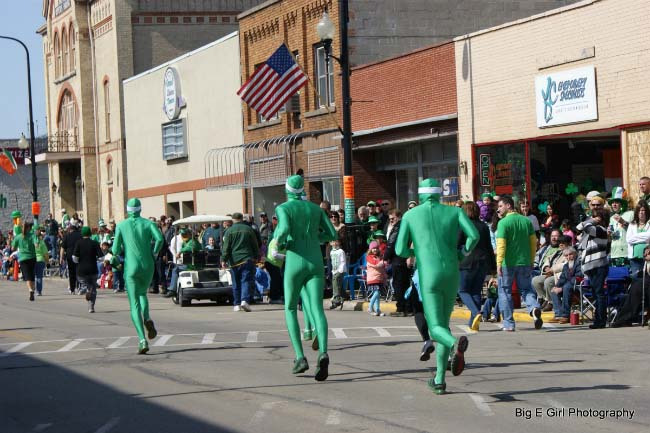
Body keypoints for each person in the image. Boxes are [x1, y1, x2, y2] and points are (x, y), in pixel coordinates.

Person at [395, 179, 479, 395]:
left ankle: (453, 345)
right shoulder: (454, 211)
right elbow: (474, 235)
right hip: (451, 270)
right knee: (443, 323)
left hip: (429, 273)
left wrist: (416, 252)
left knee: (435, 328)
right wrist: (463, 253)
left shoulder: (410, 215)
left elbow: (399, 250)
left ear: (421, 195)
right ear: (439, 194)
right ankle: (439, 379)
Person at [272, 175, 337, 381]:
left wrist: (277, 243)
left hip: (295, 260)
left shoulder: (283, 208)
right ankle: (323, 352)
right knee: (317, 308)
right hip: (315, 260)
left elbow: (283, 229)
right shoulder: (316, 209)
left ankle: (300, 357)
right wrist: (315, 238)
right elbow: (332, 234)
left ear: (287, 190)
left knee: (290, 308)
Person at [112, 198, 164, 354]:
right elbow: (160, 239)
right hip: (147, 264)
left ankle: (142, 340)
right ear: (140, 209)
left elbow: (115, 250)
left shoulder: (121, 225)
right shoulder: (149, 223)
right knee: (143, 293)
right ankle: (147, 317)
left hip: (131, 266)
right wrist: (154, 252)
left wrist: (114, 257)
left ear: (128, 210)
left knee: (134, 303)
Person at [495, 196, 543, 332]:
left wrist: (499, 263)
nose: (498, 209)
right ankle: (534, 307)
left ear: (508, 206)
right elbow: (534, 243)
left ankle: (509, 323)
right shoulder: (526, 221)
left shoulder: (503, 223)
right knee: (526, 289)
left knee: (505, 291)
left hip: (507, 263)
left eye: (500, 206)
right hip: (525, 261)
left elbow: (501, 245)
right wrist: (531, 260)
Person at [458, 201, 496, 331]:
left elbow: (457, 243)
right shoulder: (483, 226)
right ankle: (473, 323)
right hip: (483, 262)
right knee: (475, 291)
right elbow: (489, 246)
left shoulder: (463, 225)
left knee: (462, 290)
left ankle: (476, 312)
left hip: (466, 261)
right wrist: (493, 266)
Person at [576, 208, 610, 329]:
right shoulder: (593, 230)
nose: (593, 218)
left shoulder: (601, 230)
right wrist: (592, 220)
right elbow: (579, 227)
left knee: (599, 293)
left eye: (596, 216)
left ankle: (601, 320)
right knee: (596, 294)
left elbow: (587, 228)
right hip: (591, 266)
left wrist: (592, 221)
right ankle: (598, 319)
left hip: (599, 265)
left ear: (602, 218)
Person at [222, 212, 260, 312]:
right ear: (242, 219)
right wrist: (257, 256)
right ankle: (244, 301)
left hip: (234, 260)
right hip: (247, 258)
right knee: (246, 280)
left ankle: (236, 304)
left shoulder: (229, 231)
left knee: (236, 282)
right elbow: (255, 244)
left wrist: (223, 259)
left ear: (233, 220)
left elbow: (226, 247)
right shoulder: (249, 229)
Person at [611, 245, 650, 327]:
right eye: (645, 254)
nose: (645, 256)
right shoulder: (646, 264)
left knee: (639, 286)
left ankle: (625, 318)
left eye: (648, 254)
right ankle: (625, 318)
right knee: (635, 286)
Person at [384, 209, 410, 317]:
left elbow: (391, 243)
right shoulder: (405, 226)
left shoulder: (397, 227)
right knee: (405, 283)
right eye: (390, 219)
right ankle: (408, 307)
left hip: (398, 259)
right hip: (405, 257)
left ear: (399, 217)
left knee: (398, 284)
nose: (391, 221)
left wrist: (385, 257)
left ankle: (401, 308)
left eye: (393, 218)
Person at [73, 226, 104, 313]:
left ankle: (83, 288)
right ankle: (91, 307)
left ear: (82, 234)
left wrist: (79, 260)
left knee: (84, 282)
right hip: (93, 269)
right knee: (93, 288)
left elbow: (74, 258)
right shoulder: (95, 243)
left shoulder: (78, 243)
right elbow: (101, 257)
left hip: (81, 270)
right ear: (90, 234)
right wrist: (96, 259)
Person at [548, 247, 582, 324]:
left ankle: (565, 315)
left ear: (575, 254)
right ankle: (558, 315)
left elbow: (578, 277)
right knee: (554, 290)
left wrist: (562, 288)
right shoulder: (566, 266)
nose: (568, 257)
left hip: (578, 287)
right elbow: (562, 278)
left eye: (570, 254)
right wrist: (556, 286)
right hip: (569, 287)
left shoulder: (579, 263)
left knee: (566, 287)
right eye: (566, 255)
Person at [608, 187, 634, 267]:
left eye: (616, 202)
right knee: (616, 275)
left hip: (627, 253)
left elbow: (635, 229)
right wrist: (608, 233)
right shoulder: (611, 218)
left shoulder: (631, 214)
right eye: (612, 203)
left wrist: (623, 222)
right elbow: (611, 237)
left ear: (622, 204)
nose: (614, 204)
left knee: (628, 274)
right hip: (614, 253)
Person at [12, 222, 38, 301]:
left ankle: (30, 290)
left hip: (23, 258)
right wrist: (36, 245)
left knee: (27, 276)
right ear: (29, 228)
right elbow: (36, 244)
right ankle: (33, 289)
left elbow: (13, 248)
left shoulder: (18, 237)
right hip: (32, 257)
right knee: (32, 275)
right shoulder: (32, 235)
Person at [626, 200, 650, 279]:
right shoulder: (632, 224)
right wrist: (646, 236)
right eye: (639, 210)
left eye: (643, 210)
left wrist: (635, 237)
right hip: (634, 259)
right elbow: (629, 239)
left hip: (648, 258)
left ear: (647, 211)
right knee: (636, 281)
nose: (641, 212)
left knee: (647, 280)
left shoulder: (649, 224)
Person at [61, 222, 82, 294]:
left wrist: (61, 258)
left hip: (70, 257)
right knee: (79, 272)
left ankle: (72, 289)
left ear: (70, 229)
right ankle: (79, 288)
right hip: (79, 256)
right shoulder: (80, 235)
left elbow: (62, 248)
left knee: (71, 273)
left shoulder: (67, 236)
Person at [366, 241, 386, 316]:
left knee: (378, 295)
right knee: (377, 292)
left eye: (376, 248)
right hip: (372, 278)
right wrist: (383, 262)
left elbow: (382, 268)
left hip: (379, 278)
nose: (375, 250)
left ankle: (377, 310)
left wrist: (384, 276)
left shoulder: (379, 257)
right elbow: (376, 265)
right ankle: (370, 307)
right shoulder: (369, 257)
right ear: (370, 249)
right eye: (373, 248)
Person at [329, 239, 346, 309]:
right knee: (338, 285)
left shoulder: (341, 251)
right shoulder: (331, 252)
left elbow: (343, 261)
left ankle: (336, 300)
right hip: (334, 270)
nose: (334, 243)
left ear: (339, 242)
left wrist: (340, 270)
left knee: (335, 283)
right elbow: (332, 261)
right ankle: (342, 297)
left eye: (336, 242)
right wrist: (333, 270)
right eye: (333, 242)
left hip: (340, 270)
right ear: (330, 243)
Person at [34, 228, 49, 296]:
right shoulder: (42, 243)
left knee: (33, 276)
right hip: (40, 260)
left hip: (33, 260)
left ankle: (32, 289)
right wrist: (47, 262)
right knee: (39, 276)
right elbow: (46, 254)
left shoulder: (32, 242)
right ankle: (38, 291)